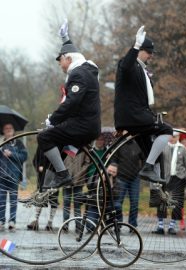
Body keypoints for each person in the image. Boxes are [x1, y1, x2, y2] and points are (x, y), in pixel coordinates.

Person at [37, 18, 101, 189]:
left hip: (82, 127)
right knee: (54, 149)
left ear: (68, 59)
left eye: (61, 61)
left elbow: (72, 103)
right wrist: (65, 38)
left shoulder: (79, 74)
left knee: (44, 137)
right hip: (87, 126)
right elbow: (74, 52)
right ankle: (46, 189)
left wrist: (53, 120)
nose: (60, 65)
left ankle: (63, 176)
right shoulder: (86, 70)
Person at [114, 25, 173, 184]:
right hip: (134, 117)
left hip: (137, 116)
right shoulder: (128, 65)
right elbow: (126, 66)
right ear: (140, 50)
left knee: (152, 153)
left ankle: (157, 188)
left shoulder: (141, 70)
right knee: (167, 130)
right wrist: (135, 46)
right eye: (149, 52)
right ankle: (148, 169)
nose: (151, 56)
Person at [152, 132, 186, 235]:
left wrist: (184, 176)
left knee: (176, 202)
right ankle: (160, 226)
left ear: (178, 137)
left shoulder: (182, 148)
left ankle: (172, 226)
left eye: (175, 136)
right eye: (171, 136)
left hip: (177, 178)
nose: (172, 138)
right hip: (164, 178)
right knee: (161, 201)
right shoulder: (164, 147)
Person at [0, 123, 28, 231]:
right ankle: (1, 220)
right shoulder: (1, 143)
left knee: (13, 200)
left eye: (10, 128)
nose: (8, 130)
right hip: (1, 176)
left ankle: (12, 221)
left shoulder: (19, 143)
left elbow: (24, 156)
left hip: (14, 176)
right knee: (1, 200)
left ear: (13, 130)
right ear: (3, 130)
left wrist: (11, 153)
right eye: (6, 128)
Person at [111, 139, 144, 229]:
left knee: (134, 203)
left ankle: (132, 225)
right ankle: (118, 223)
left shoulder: (137, 144)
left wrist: (141, 171)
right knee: (118, 203)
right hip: (121, 178)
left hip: (135, 178)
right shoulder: (119, 144)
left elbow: (143, 158)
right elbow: (114, 159)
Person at [27, 147, 59, 231]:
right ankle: (35, 220)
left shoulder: (59, 144)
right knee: (40, 198)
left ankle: (50, 222)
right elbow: (35, 159)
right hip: (42, 177)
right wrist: (38, 167)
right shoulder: (42, 145)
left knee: (54, 199)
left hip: (54, 177)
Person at [62, 151, 90, 233]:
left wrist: (80, 173)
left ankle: (78, 226)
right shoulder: (66, 146)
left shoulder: (83, 148)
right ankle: (65, 225)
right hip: (66, 178)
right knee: (66, 202)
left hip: (79, 179)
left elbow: (87, 162)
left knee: (77, 203)